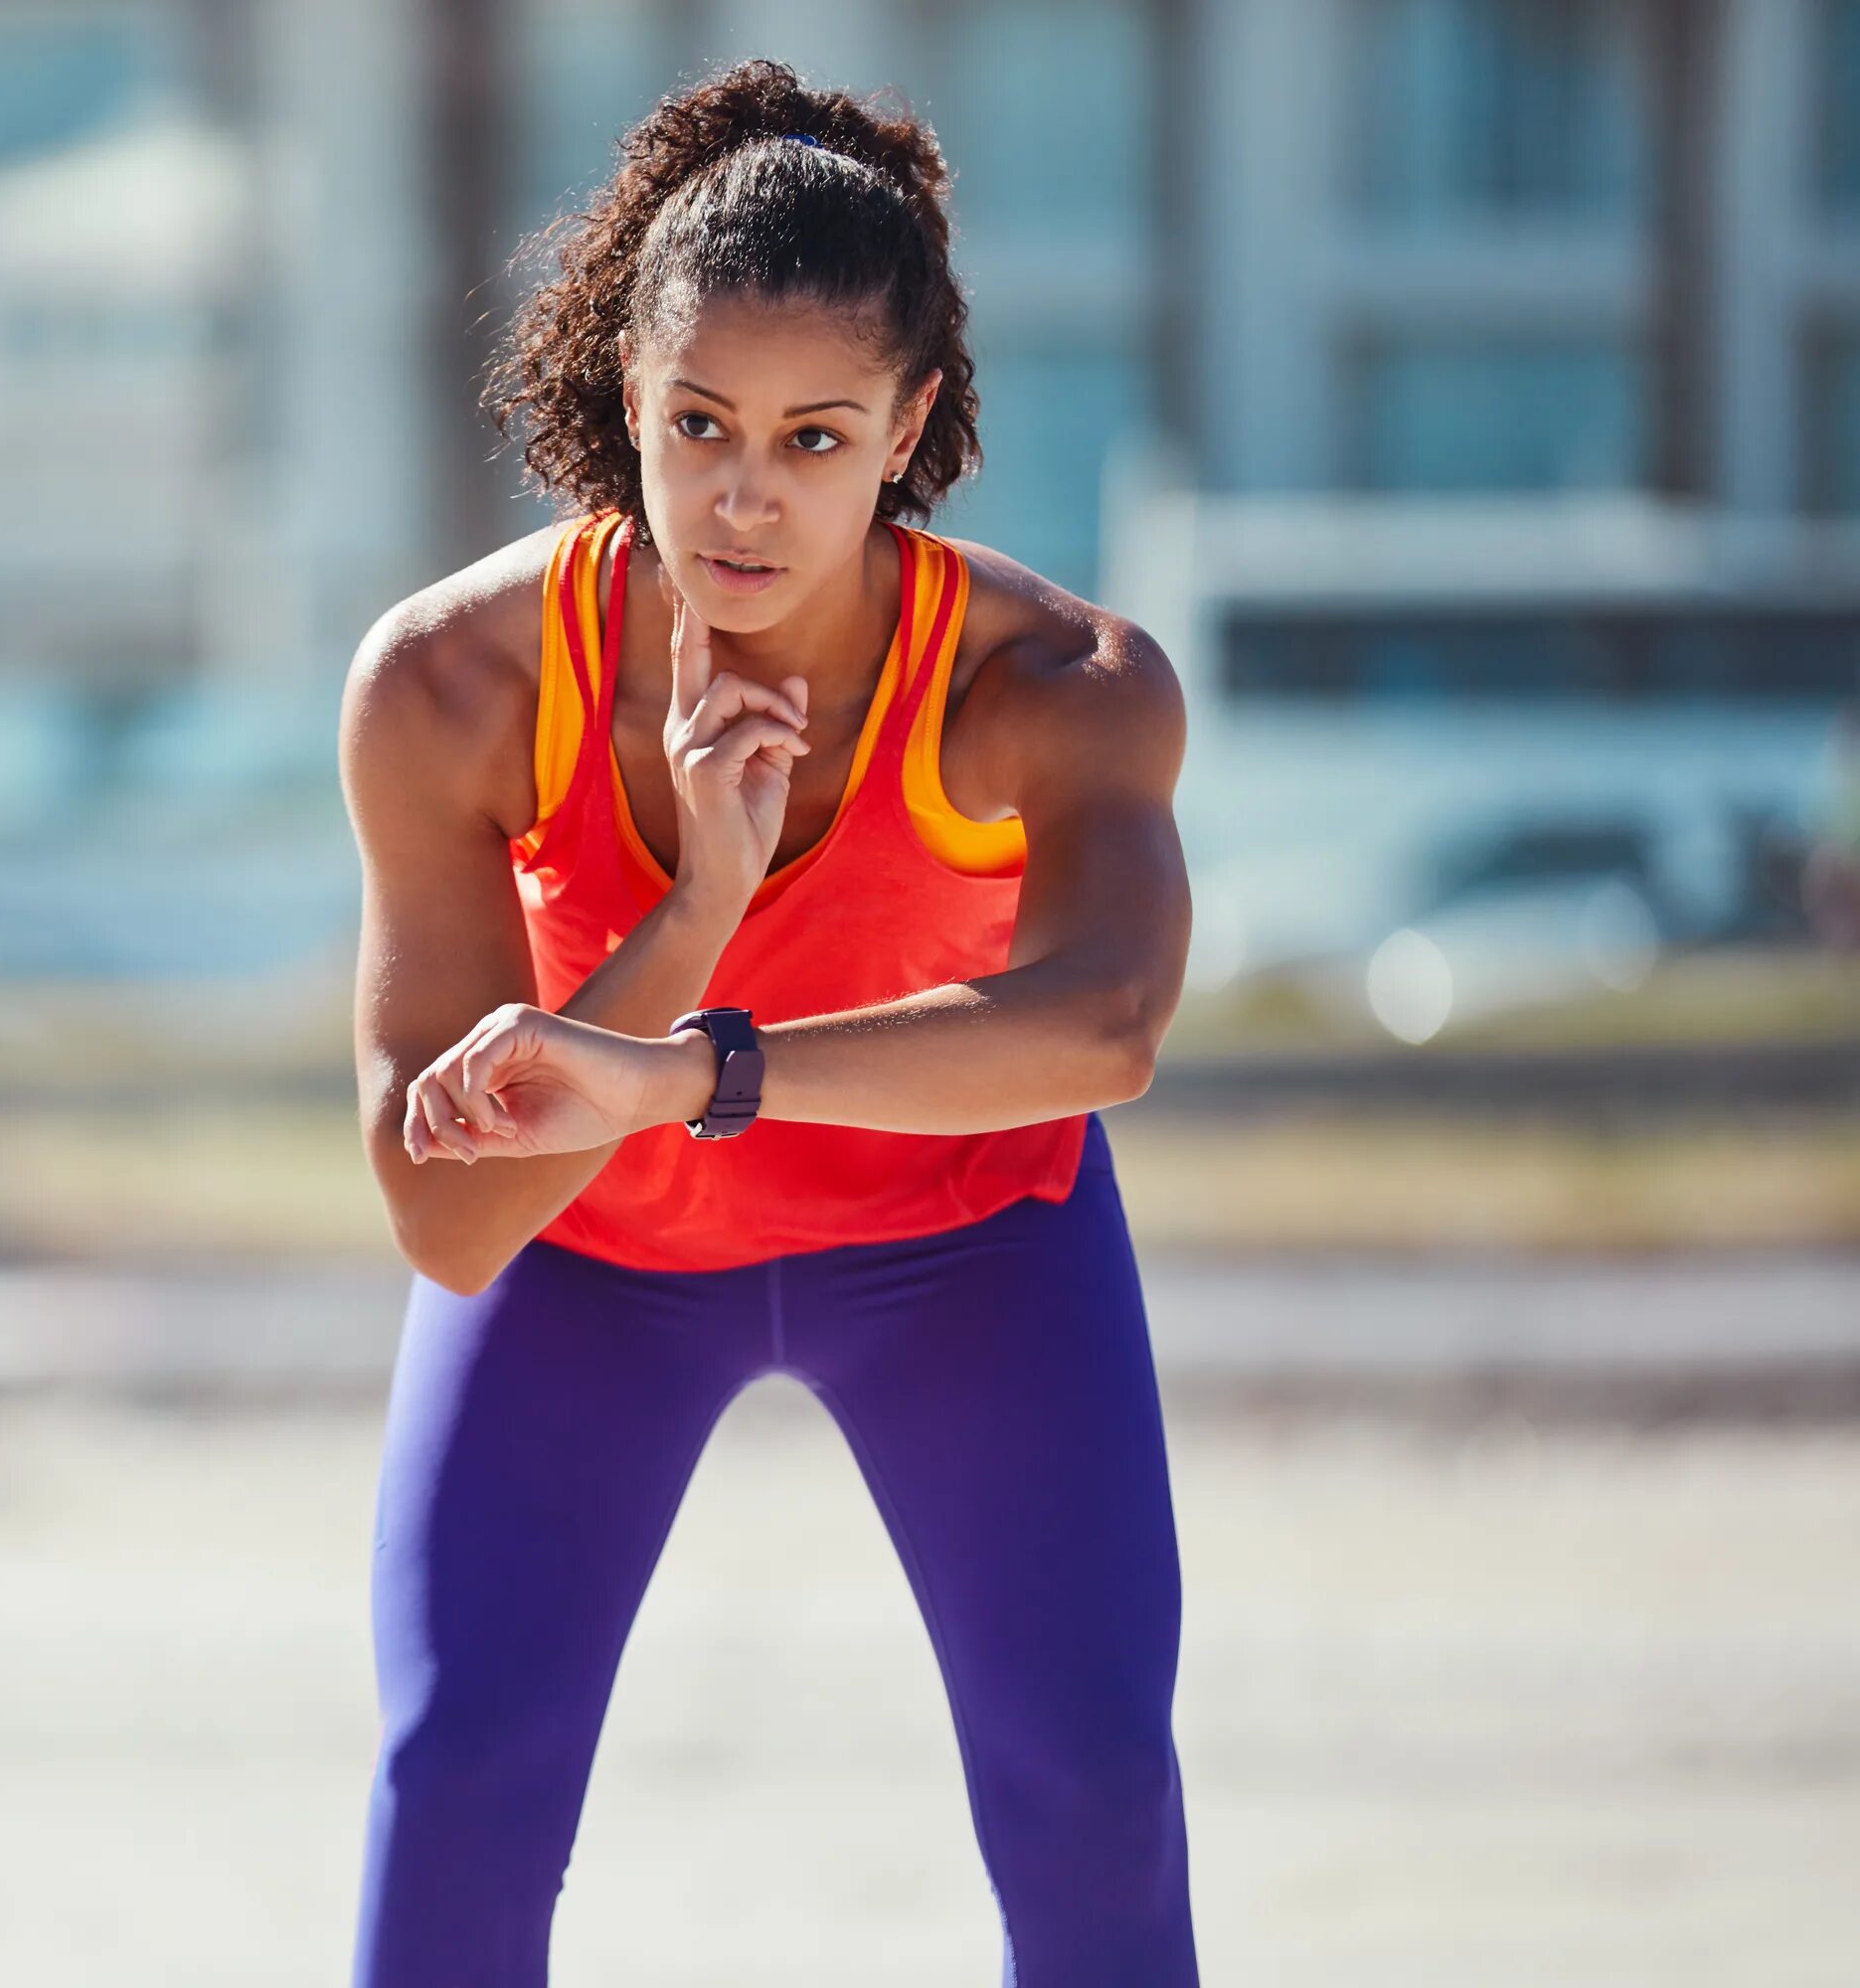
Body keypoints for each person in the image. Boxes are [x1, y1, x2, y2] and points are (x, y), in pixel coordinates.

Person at [334, 61, 1198, 1986]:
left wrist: (695, 1069)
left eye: (815, 439)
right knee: (459, 1776)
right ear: (625, 400)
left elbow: (1108, 1025)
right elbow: (451, 1219)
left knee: (1091, 1795)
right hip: (590, 1269)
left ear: (912, 430)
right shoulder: (456, 685)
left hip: (969, 1247)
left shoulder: (1053, 685)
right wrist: (694, 910)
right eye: (702, 422)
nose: (743, 491)